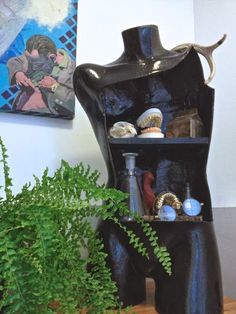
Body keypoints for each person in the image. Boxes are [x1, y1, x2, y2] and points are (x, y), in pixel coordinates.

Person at [73, 25, 223, 314]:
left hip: (189, 227)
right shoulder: (91, 76)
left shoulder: (188, 62)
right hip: (119, 224)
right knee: (104, 306)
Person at [7, 34, 75, 117]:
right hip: (20, 109)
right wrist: (18, 73)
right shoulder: (35, 56)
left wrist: (55, 87)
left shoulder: (74, 71)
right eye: (30, 61)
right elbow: (14, 61)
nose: (33, 68)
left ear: (52, 58)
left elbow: (73, 102)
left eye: (38, 65)